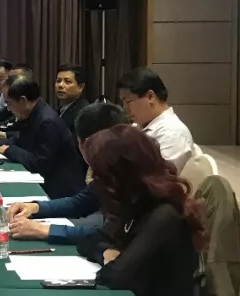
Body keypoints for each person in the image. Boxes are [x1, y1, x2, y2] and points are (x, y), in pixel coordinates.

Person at [76, 124, 206, 296]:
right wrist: (106, 252)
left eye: (100, 176)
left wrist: (113, 259)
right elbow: (87, 241)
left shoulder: (165, 215)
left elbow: (116, 276)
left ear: (120, 175)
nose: (95, 182)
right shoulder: (133, 203)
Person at [5, 103, 130, 243]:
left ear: (86, 143)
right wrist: (34, 207)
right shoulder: (114, 166)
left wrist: (44, 230)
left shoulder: (131, 176)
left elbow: (110, 233)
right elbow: (80, 203)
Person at [0, 75, 86, 199]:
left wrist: (9, 150)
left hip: (61, 192)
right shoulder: (33, 113)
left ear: (23, 100)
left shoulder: (47, 122)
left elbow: (40, 164)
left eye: (8, 103)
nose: (8, 108)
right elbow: (20, 139)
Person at [117, 67, 194, 171]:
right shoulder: (140, 126)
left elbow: (158, 177)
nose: (125, 109)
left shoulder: (172, 134)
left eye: (128, 102)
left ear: (150, 97)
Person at [55, 63, 90, 137]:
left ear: (80, 87)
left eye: (67, 81)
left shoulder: (84, 114)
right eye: (58, 81)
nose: (60, 85)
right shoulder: (59, 110)